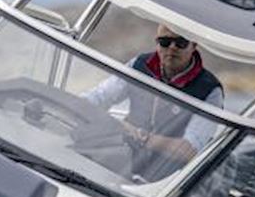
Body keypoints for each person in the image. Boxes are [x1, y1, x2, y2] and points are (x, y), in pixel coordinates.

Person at [83, 24, 226, 179]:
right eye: (165, 42)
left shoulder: (210, 90)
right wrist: (70, 105)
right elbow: (99, 97)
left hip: (167, 176)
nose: (172, 48)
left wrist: (141, 136)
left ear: (194, 46)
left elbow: (190, 149)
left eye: (181, 43)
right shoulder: (139, 65)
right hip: (125, 155)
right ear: (157, 43)